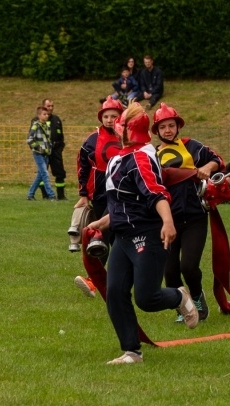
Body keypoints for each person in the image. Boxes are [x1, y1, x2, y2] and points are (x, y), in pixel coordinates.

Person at [86, 102, 198, 364]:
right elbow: (123, 201)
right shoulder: (118, 158)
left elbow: (155, 192)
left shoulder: (140, 157)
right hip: (123, 235)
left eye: (122, 124)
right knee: (115, 292)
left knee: (147, 299)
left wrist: (167, 222)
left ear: (129, 130)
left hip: (147, 234)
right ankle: (132, 352)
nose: (116, 126)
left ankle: (179, 295)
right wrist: (104, 221)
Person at [152, 102, 225, 322]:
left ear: (178, 126)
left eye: (171, 125)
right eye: (163, 126)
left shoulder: (192, 146)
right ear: (157, 130)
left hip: (195, 217)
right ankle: (183, 308)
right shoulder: (152, 154)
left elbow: (218, 161)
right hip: (167, 221)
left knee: (189, 266)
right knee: (170, 271)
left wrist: (207, 168)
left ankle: (197, 297)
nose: (167, 130)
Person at [74, 96, 124, 297]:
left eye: (114, 116)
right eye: (106, 116)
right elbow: (82, 167)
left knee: (100, 235)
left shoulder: (128, 137)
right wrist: (83, 194)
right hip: (99, 195)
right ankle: (113, 282)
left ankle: (94, 280)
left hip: (121, 197)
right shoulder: (92, 140)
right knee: (111, 239)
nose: (110, 119)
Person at [27, 105, 56, 200]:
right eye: (44, 114)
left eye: (47, 114)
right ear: (39, 115)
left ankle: (30, 194)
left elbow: (48, 139)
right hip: (38, 154)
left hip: (46, 154)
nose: (46, 116)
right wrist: (38, 148)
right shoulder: (35, 125)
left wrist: (49, 148)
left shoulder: (47, 125)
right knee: (45, 173)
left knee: (40, 176)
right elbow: (30, 139)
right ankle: (51, 195)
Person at [43, 98, 68, 200]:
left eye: (52, 106)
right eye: (48, 106)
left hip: (56, 151)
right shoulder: (37, 120)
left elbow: (61, 136)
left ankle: (61, 196)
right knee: (43, 173)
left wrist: (60, 148)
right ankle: (45, 195)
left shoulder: (56, 119)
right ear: (43, 106)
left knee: (60, 172)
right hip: (43, 151)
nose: (51, 108)